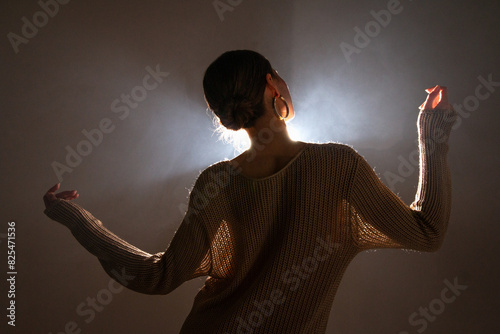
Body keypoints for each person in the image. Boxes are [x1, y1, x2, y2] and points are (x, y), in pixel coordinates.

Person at [43, 50, 457, 333]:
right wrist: (431, 132)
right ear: (273, 84)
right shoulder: (338, 166)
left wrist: (75, 218)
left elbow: (159, 276)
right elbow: (427, 231)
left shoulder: (216, 182)